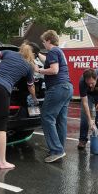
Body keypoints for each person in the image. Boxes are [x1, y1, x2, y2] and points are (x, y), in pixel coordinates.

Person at [36, 30, 73, 163]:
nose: (43, 44)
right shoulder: (59, 52)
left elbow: (54, 70)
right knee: (60, 120)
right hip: (67, 88)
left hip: (57, 88)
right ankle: (59, 149)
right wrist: (37, 54)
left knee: (47, 117)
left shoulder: (52, 51)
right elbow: (48, 61)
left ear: (49, 41)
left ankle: (56, 150)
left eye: (44, 42)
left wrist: (38, 70)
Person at [77, 68, 98, 150]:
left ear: (97, 78)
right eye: (88, 83)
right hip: (88, 96)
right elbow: (85, 102)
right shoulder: (82, 82)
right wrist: (89, 120)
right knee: (84, 117)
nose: (90, 85)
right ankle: (82, 140)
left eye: (92, 83)